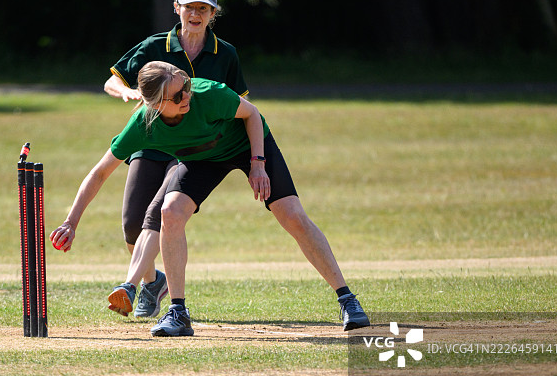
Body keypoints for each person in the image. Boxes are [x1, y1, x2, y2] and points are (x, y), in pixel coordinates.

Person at [51, 61, 371, 337]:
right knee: (171, 212)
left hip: (247, 145)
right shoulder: (142, 127)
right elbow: (100, 173)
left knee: (291, 215)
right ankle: (178, 312)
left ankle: (347, 300)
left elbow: (253, 115)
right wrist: (72, 220)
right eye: (177, 95)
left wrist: (258, 165)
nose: (186, 95)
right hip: (202, 158)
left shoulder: (208, 95)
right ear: (155, 104)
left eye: (186, 86)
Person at [102, 0, 248, 318]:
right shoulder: (155, 46)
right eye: (189, 6)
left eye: (203, 8)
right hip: (153, 141)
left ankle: (135, 287)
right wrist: (126, 92)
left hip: (194, 149)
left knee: (159, 215)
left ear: (213, 13)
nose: (195, 14)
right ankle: (154, 282)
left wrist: (244, 156)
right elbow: (112, 79)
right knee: (131, 229)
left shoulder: (225, 53)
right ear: (176, 8)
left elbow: (240, 104)